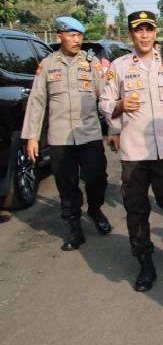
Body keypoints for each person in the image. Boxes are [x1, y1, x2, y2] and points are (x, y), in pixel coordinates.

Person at [99, 10, 163, 292]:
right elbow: (103, 101)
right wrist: (118, 106)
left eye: (148, 30)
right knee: (136, 211)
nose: (144, 35)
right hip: (134, 155)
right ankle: (145, 261)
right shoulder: (119, 67)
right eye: (138, 30)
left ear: (155, 33)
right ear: (131, 34)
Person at [21, 16, 111, 251]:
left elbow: (106, 98)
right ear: (59, 36)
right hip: (60, 137)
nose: (77, 40)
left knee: (97, 178)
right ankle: (74, 227)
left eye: (79, 35)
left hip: (89, 133)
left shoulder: (91, 64)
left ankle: (95, 209)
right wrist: (32, 136)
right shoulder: (47, 65)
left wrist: (115, 128)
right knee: (66, 185)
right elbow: (37, 102)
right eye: (72, 35)